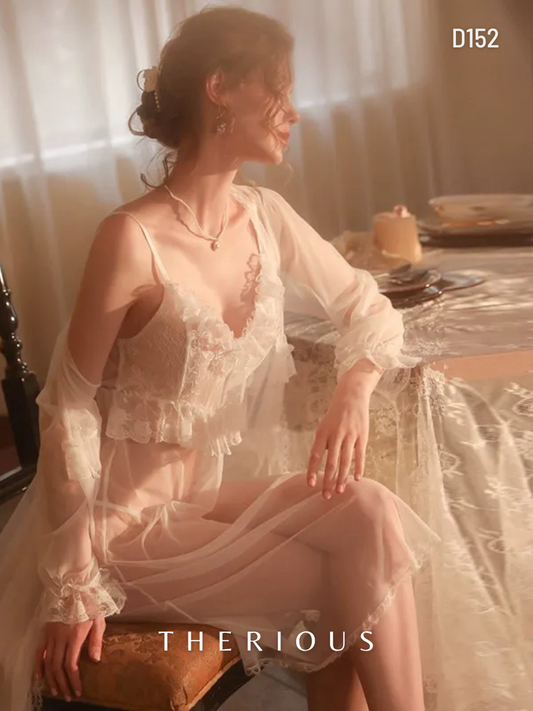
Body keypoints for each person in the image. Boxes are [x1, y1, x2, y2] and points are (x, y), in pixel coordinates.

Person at [0, 7, 441, 711]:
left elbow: (368, 306)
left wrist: (353, 391)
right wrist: (74, 582)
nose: (293, 111)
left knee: (368, 508)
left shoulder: (263, 215)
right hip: (118, 531)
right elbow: (67, 411)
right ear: (220, 89)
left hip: (198, 503)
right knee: (350, 572)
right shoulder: (130, 239)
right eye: (279, 88)